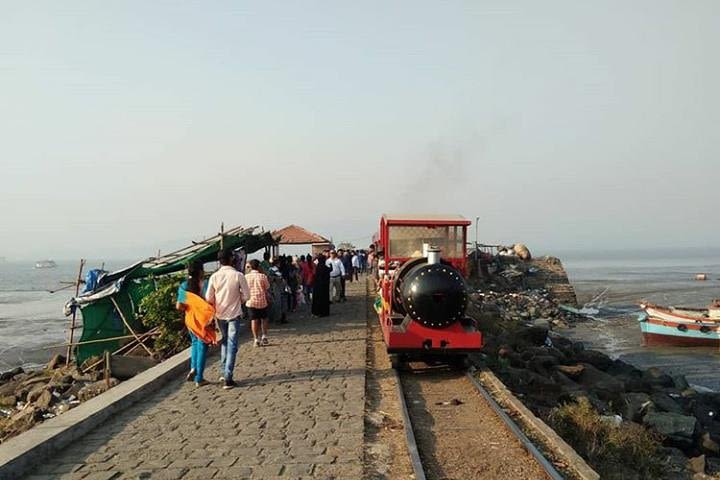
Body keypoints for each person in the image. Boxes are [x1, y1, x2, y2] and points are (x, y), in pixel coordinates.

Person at [206, 249, 250, 390]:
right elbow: (247, 296)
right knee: (232, 345)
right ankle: (228, 377)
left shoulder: (214, 277)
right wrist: (239, 300)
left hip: (220, 315)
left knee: (225, 343)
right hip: (234, 314)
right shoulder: (238, 275)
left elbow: (208, 298)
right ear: (232, 259)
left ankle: (223, 371)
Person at [176, 261, 215, 387]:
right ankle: (199, 377)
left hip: (190, 320)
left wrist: (190, 307)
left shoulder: (183, 286)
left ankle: (193, 367)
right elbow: (210, 300)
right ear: (201, 272)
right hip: (203, 320)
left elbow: (179, 306)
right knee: (203, 346)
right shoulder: (205, 284)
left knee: (194, 343)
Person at [245, 259, 271, 347]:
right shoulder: (263, 276)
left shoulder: (246, 277)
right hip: (262, 301)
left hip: (251, 301)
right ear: (259, 266)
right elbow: (267, 287)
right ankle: (264, 335)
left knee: (254, 320)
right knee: (264, 319)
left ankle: (256, 339)